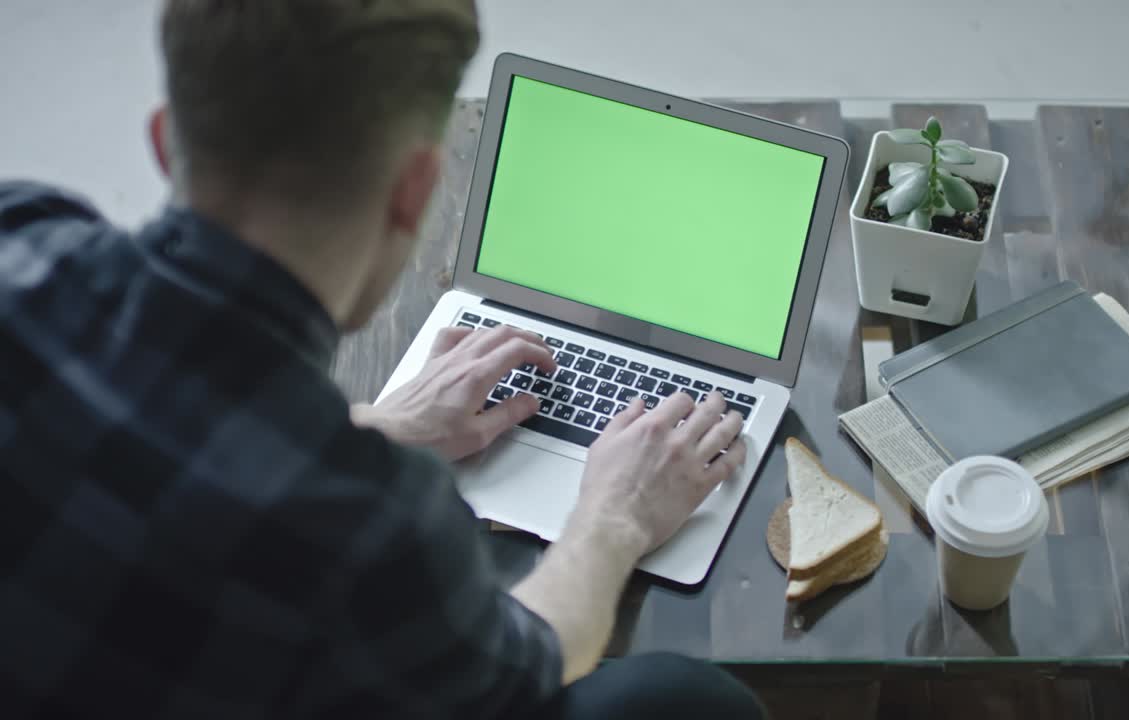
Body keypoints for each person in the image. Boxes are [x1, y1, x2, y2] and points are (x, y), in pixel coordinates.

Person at [0, 1, 766, 718]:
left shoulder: (21, 234)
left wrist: (383, 424)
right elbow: (531, 659)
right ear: (414, 192)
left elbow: (168, 446)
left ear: (167, 142)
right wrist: (614, 516)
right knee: (683, 697)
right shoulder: (373, 534)